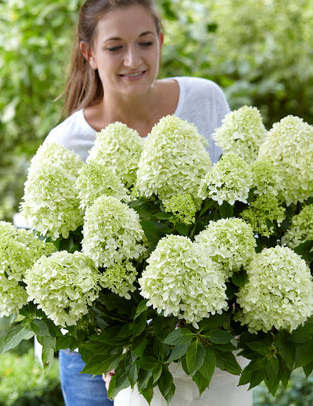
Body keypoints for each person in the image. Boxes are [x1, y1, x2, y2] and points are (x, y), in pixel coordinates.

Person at [44, 1, 252, 405]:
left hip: (197, 338)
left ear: (160, 40)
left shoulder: (204, 101)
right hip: (101, 346)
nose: (132, 59)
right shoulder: (67, 144)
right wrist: (104, 344)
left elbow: (244, 209)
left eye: (144, 42)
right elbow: (57, 254)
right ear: (89, 53)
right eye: (115, 47)